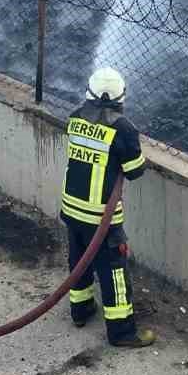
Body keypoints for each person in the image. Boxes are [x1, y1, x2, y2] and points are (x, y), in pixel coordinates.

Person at [61, 67, 155, 348]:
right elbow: (135, 170)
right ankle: (122, 332)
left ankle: (80, 310)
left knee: (79, 261)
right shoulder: (122, 128)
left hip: (71, 207)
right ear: (120, 98)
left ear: (89, 93)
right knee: (114, 270)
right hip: (101, 216)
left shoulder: (75, 118)